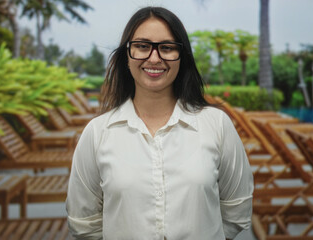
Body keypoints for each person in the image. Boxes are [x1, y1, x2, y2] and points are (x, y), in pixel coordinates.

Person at [66, 6, 254, 240]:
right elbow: (84, 224)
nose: (154, 58)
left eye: (166, 48)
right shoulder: (97, 133)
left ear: (181, 57)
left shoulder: (216, 125)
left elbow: (236, 210)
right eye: (142, 46)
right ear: (127, 55)